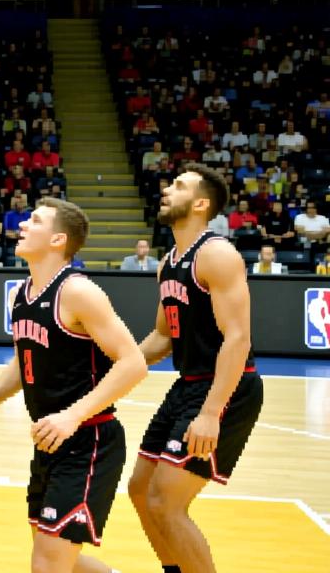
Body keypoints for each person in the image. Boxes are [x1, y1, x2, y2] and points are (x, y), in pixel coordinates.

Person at [0, 198, 148, 573]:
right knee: (60, 560)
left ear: (58, 240)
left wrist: (72, 416)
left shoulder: (77, 292)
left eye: (35, 221)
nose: (23, 225)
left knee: (47, 564)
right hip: (50, 442)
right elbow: (24, 364)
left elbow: (133, 363)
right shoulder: (21, 294)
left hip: (89, 440)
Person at [129, 163, 264, 573]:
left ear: (201, 203)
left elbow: (238, 337)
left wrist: (211, 413)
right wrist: (117, 367)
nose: (167, 190)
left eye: (179, 186)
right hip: (188, 384)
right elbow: (163, 336)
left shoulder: (216, 254)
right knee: (141, 491)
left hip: (226, 388)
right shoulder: (168, 262)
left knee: (165, 501)